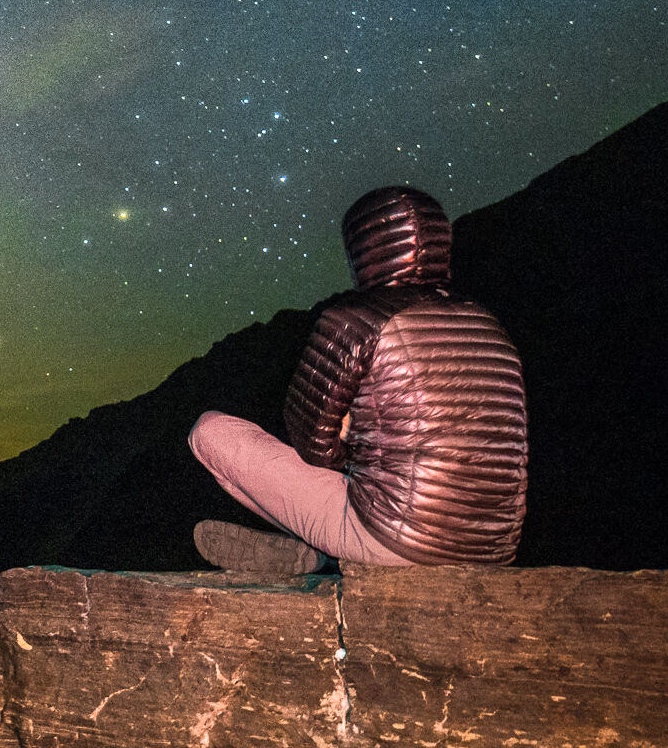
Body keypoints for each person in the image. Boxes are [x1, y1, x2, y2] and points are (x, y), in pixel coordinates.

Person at [187, 184, 527, 573]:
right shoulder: (489, 326)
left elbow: (310, 443)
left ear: (365, 251)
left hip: (395, 540)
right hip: (494, 549)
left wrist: (352, 446)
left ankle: (329, 553)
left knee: (209, 432)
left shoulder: (357, 319)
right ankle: (328, 547)